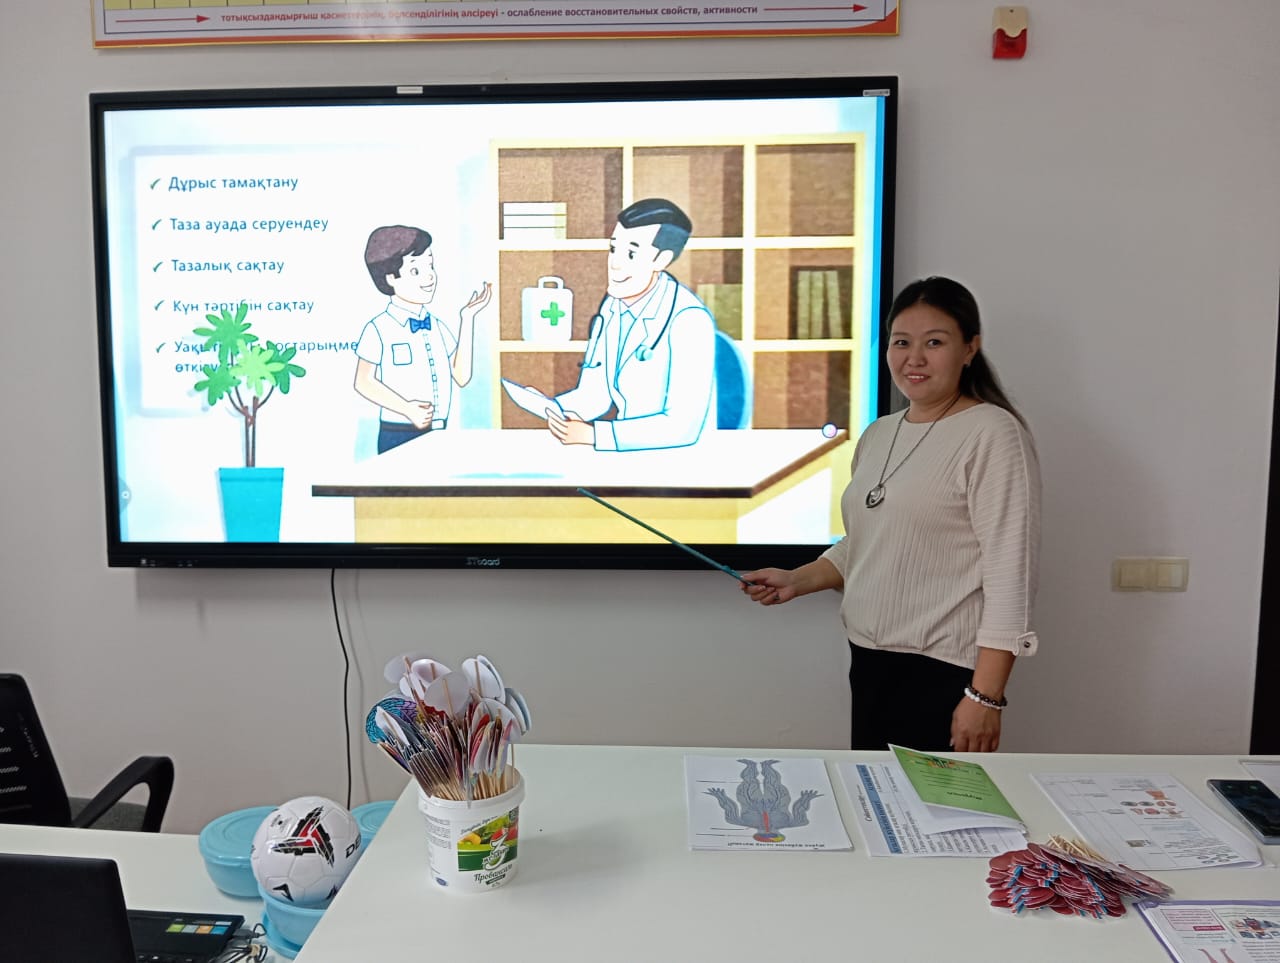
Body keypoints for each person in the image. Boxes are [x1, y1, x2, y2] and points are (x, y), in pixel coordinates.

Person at [742, 276, 1040, 753]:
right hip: (870, 662)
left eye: (934, 343)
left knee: (935, 805)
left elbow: (1011, 575)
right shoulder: (880, 433)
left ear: (970, 348)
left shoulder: (992, 433)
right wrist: (797, 579)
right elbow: (866, 540)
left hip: (948, 673)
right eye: (901, 342)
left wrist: (985, 697)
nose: (913, 358)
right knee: (875, 796)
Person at [522, 197, 716, 451]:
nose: (615, 263)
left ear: (661, 260)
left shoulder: (690, 320)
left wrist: (595, 435)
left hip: (680, 457)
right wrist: (553, 408)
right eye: (614, 249)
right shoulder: (613, 307)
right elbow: (596, 394)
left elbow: (683, 427)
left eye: (631, 253)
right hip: (629, 453)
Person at [354, 225, 491, 454]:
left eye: (430, 265)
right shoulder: (378, 329)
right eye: (415, 270)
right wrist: (406, 408)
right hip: (398, 432)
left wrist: (467, 319)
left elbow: (461, 376)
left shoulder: (437, 326)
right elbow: (363, 382)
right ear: (390, 278)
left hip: (438, 431)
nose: (429, 276)